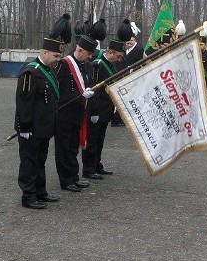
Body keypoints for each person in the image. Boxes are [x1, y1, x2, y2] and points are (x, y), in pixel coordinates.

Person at [14, 14, 70, 209]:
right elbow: (23, 102)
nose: (58, 59)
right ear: (44, 52)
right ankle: (28, 196)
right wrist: (25, 126)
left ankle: (40, 191)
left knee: (40, 160)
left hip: (45, 127)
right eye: (55, 56)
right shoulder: (31, 72)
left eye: (59, 56)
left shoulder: (51, 69)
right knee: (29, 162)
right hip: (31, 128)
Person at [54, 21, 97, 191]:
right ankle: (66, 180)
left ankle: (73, 176)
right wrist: (77, 95)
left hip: (78, 114)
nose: (90, 57)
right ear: (79, 50)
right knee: (64, 148)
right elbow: (56, 88)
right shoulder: (64, 64)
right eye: (88, 53)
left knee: (73, 147)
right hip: (64, 113)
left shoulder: (84, 65)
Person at [82, 38, 125, 179]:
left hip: (106, 110)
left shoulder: (111, 65)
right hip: (97, 110)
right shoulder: (97, 65)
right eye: (118, 56)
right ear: (110, 53)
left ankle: (97, 164)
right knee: (92, 140)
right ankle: (89, 168)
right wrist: (94, 110)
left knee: (100, 139)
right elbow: (94, 89)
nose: (119, 60)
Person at [111, 20, 142, 127]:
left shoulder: (139, 49)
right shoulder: (123, 50)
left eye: (131, 41)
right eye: (127, 42)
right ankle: (116, 118)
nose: (129, 43)